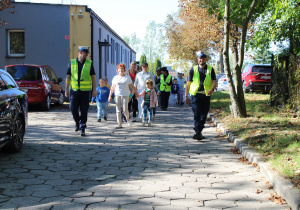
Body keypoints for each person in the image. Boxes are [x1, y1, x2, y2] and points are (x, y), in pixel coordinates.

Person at [185, 51, 217, 140]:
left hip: (206, 95)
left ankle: (198, 131)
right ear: (198, 59)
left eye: (202, 58)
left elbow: (214, 82)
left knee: (204, 114)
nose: (201, 60)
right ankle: (198, 132)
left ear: (205, 59)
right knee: (196, 113)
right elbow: (188, 83)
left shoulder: (210, 69)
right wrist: (186, 96)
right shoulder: (193, 69)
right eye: (199, 58)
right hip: (195, 95)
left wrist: (212, 89)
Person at [65, 46, 97, 137]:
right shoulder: (72, 63)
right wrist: (66, 89)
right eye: (85, 53)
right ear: (80, 52)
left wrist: (94, 90)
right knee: (73, 108)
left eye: (87, 54)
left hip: (85, 91)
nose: (86, 55)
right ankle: (77, 122)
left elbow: (93, 78)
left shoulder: (89, 63)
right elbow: (68, 77)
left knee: (84, 109)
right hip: (74, 90)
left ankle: (82, 128)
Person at [108, 63, 139, 129]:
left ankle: (127, 119)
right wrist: (110, 96)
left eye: (122, 68)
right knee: (118, 110)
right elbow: (112, 87)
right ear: (117, 70)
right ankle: (119, 123)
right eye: (120, 68)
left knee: (125, 109)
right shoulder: (115, 78)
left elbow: (132, 86)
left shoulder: (127, 77)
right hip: (117, 95)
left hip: (125, 95)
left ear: (124, 70)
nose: (121, 70)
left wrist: (136, 93)